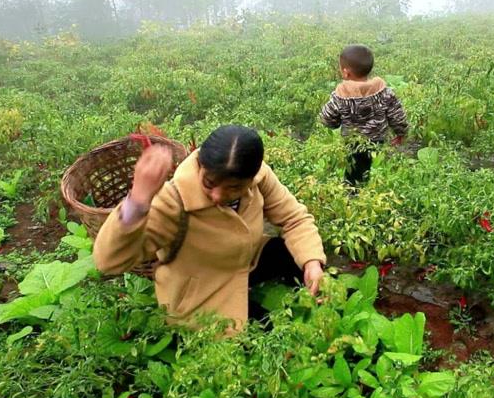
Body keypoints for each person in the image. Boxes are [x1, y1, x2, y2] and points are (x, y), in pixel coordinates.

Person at [93, 125, 327, 332]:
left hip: (244, 260)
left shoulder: (259, 177)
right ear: (199, 165)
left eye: (233, 188)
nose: (217, 195)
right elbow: (109, 262)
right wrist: (138, 201)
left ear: (251, 178)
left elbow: (294, 218)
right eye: (209, 183)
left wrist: (312, 263)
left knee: (290, 253)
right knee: (270, 337)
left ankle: (327, 297)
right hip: (201, 290)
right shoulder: (174, 200)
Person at [320, 44, 408, 187]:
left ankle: (353, 194)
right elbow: (396, 114)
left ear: (346, 72)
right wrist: (400, 133)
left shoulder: (340, 96)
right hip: (377, 138)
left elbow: (327, 118)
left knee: (354, 170)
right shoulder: (384, 91)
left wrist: (335, 123)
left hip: (352, 142)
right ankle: (364, 186)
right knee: (367, 164)